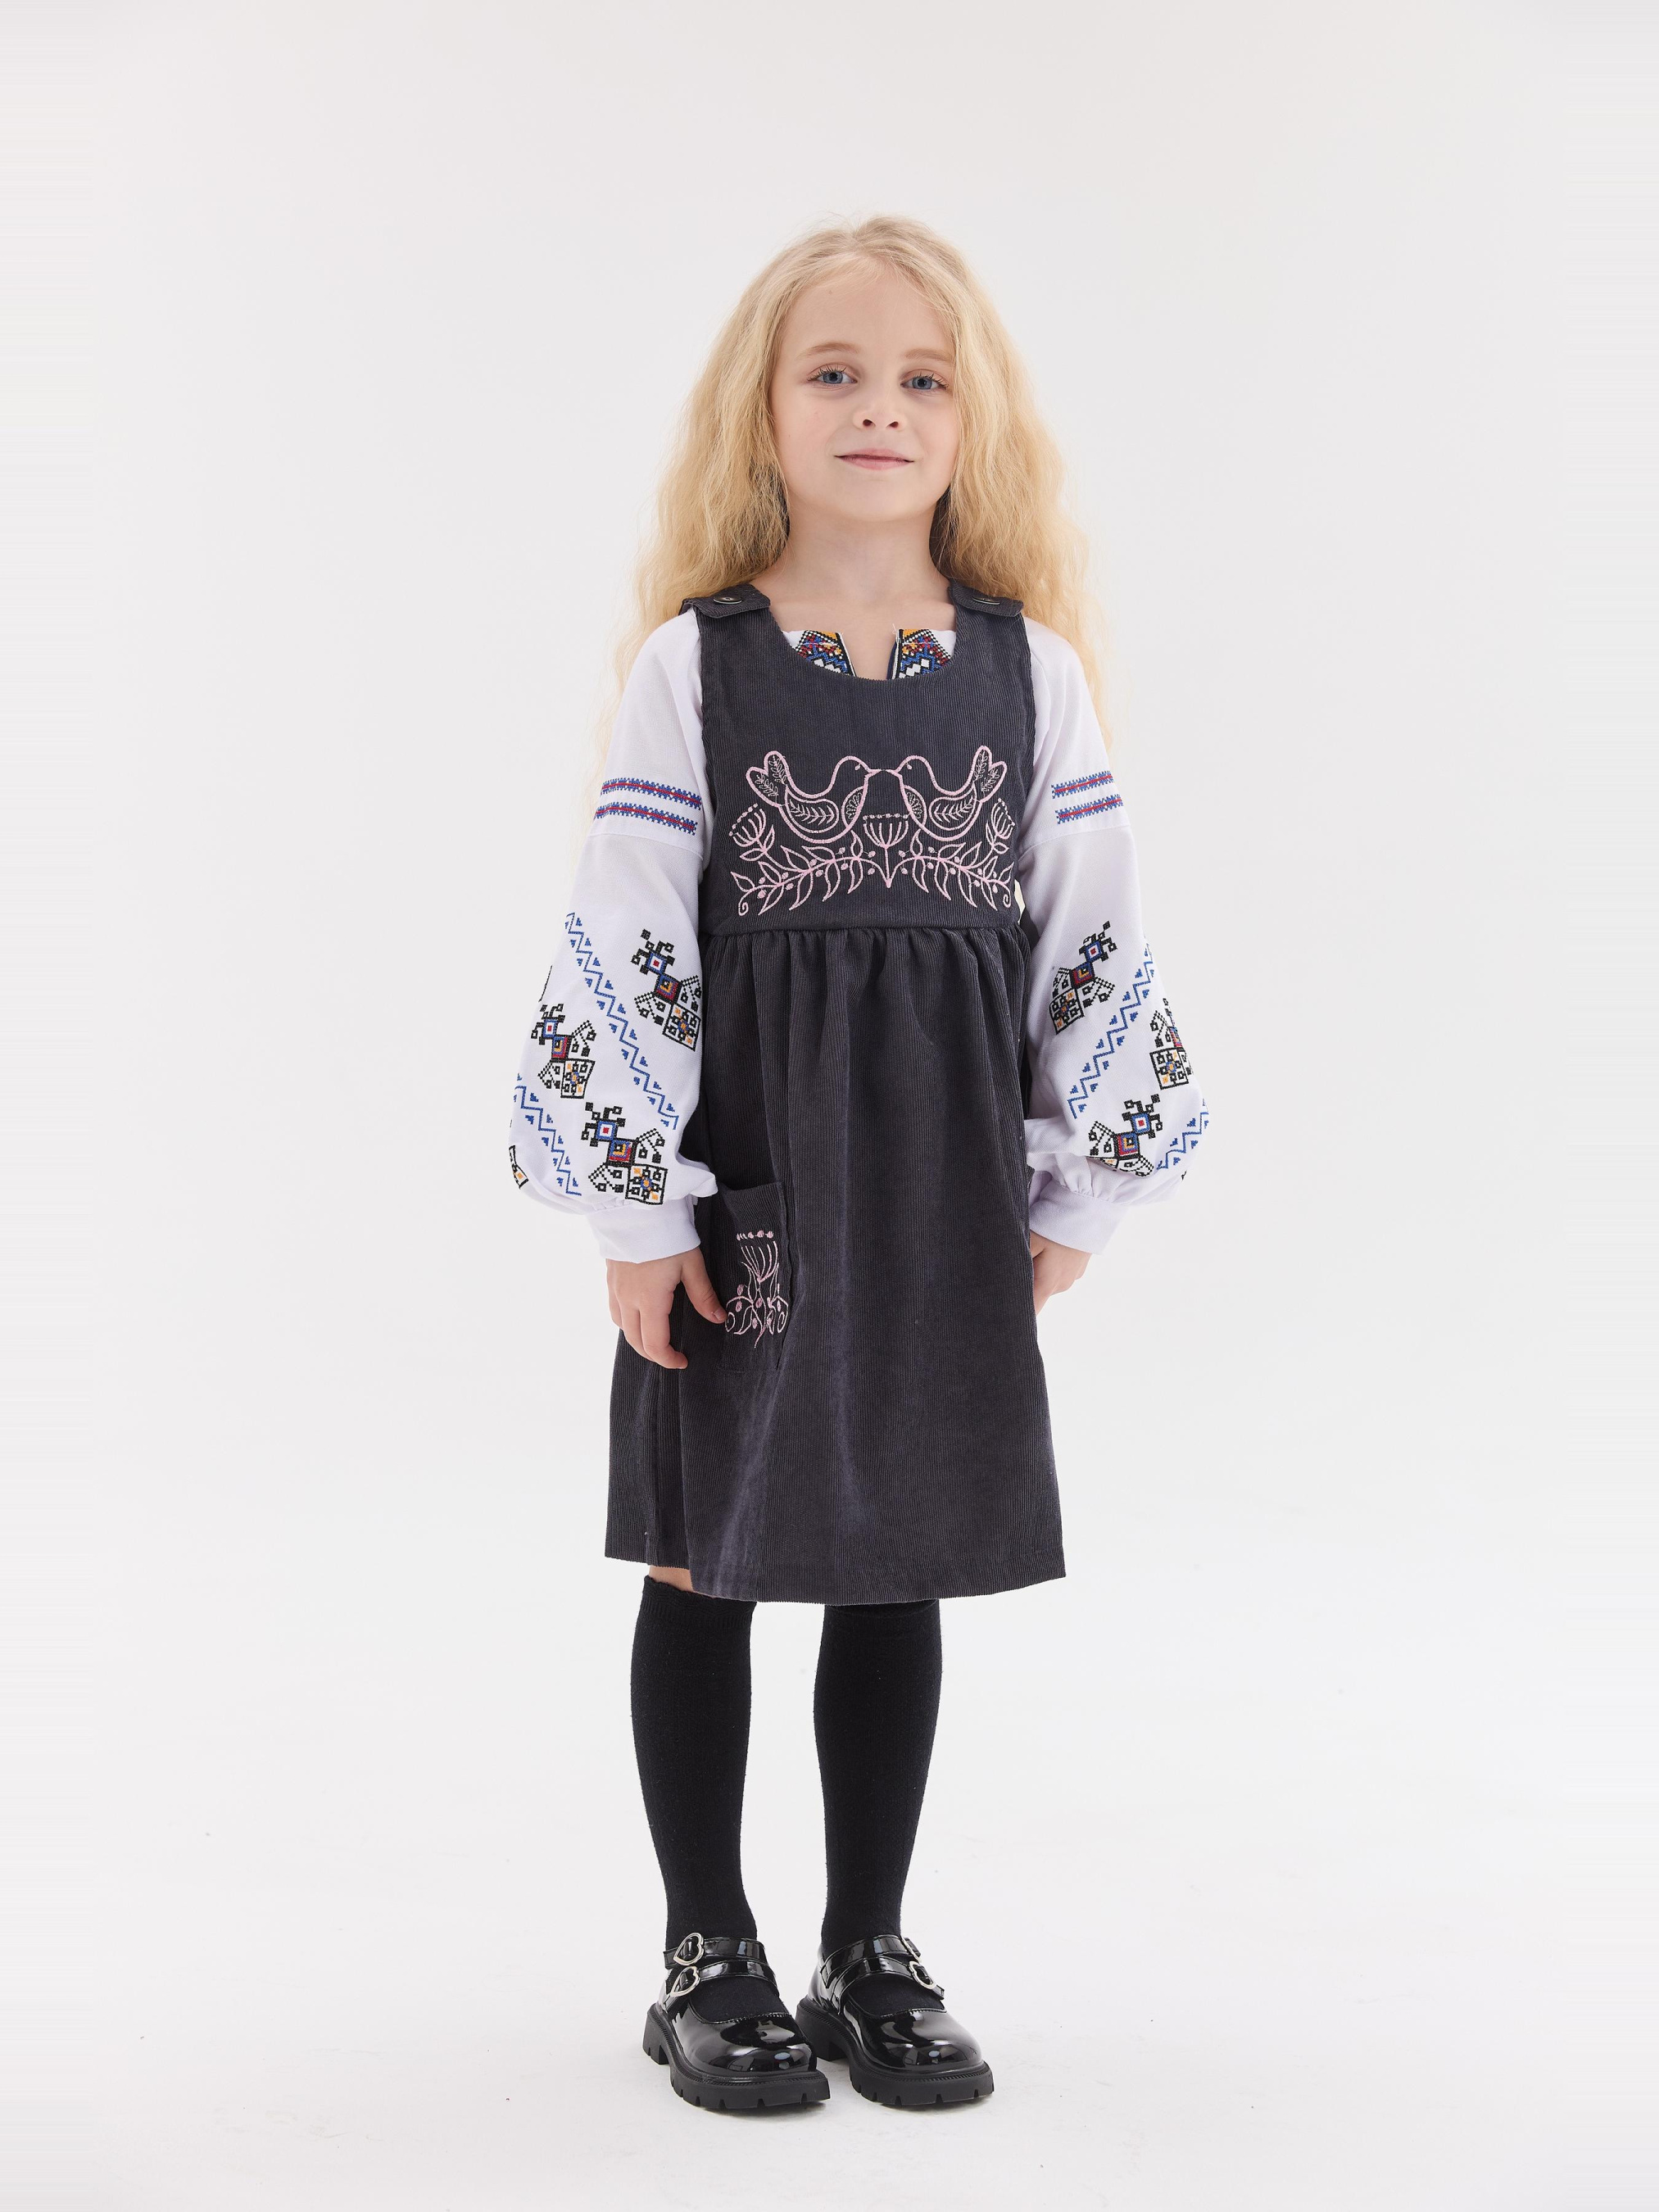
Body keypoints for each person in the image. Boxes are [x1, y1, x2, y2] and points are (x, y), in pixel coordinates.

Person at [507, 214, 1210, 2114]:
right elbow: (627, 926)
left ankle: (865, 1944)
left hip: (936, 1188)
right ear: (763, 411)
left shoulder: (1025, 673)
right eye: (832, 372)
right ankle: (703, 1948)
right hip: (746, 1181)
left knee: (894, 1557)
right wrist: (633, 1209)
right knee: (703, 1558)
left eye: (919, 377)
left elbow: (1091, 930)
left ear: (972, 422)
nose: (876, 407)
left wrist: (1076, 1183)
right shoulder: (698, 667)